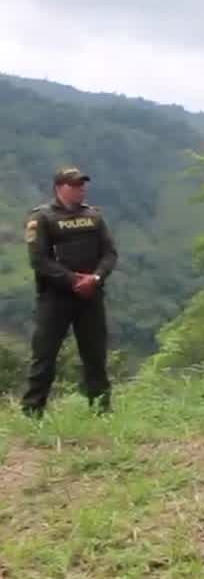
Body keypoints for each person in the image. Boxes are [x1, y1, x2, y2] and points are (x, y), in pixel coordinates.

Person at [21, 167, 118, 417]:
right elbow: (39, 260)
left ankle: (102, 411)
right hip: (56, 297)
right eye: (75, 185)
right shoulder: (42, 218)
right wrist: (74, 280)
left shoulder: (94, 216)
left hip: (91, 295)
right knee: (44, 355)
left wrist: (95, 278)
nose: (81, 189)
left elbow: (109, 253)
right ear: (60, 187)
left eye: (82, 184)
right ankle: (33, 413)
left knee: (95, 355)